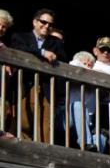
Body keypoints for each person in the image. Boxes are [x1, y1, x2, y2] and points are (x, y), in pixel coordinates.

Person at [10, 8, 68, 142]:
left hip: (45, 88)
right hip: (24, 85)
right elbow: (18, 49)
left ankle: (42, 158)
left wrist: (53, 56)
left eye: (50, 24)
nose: (47, 26)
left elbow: (63, 59)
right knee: (23, 122)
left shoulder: (56, 42)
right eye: (43, 22)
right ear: (35, 22)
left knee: (44, 126)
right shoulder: (20, 37)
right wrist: (42, 53)